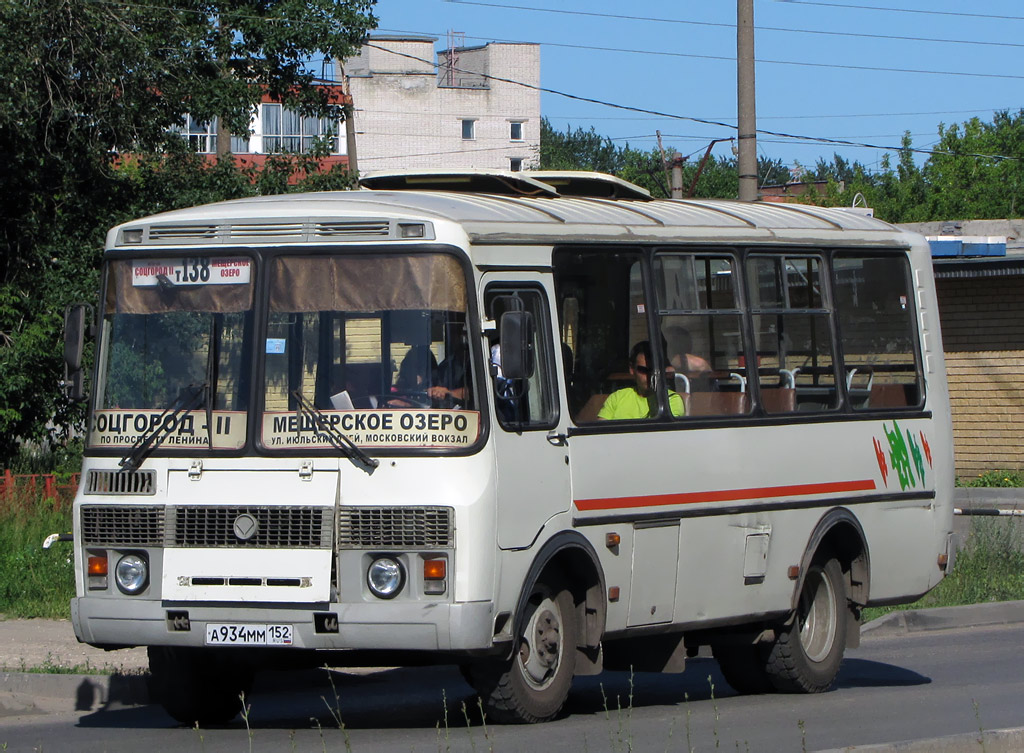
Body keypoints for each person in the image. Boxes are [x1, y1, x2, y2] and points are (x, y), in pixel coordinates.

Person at [598, 340, 685, 420]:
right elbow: (600, 432)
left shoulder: (670, 400)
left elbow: (665, 433)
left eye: (654, 370)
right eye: (643, 370)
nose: (650, 375)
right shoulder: (617, 398)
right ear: (632, 369)